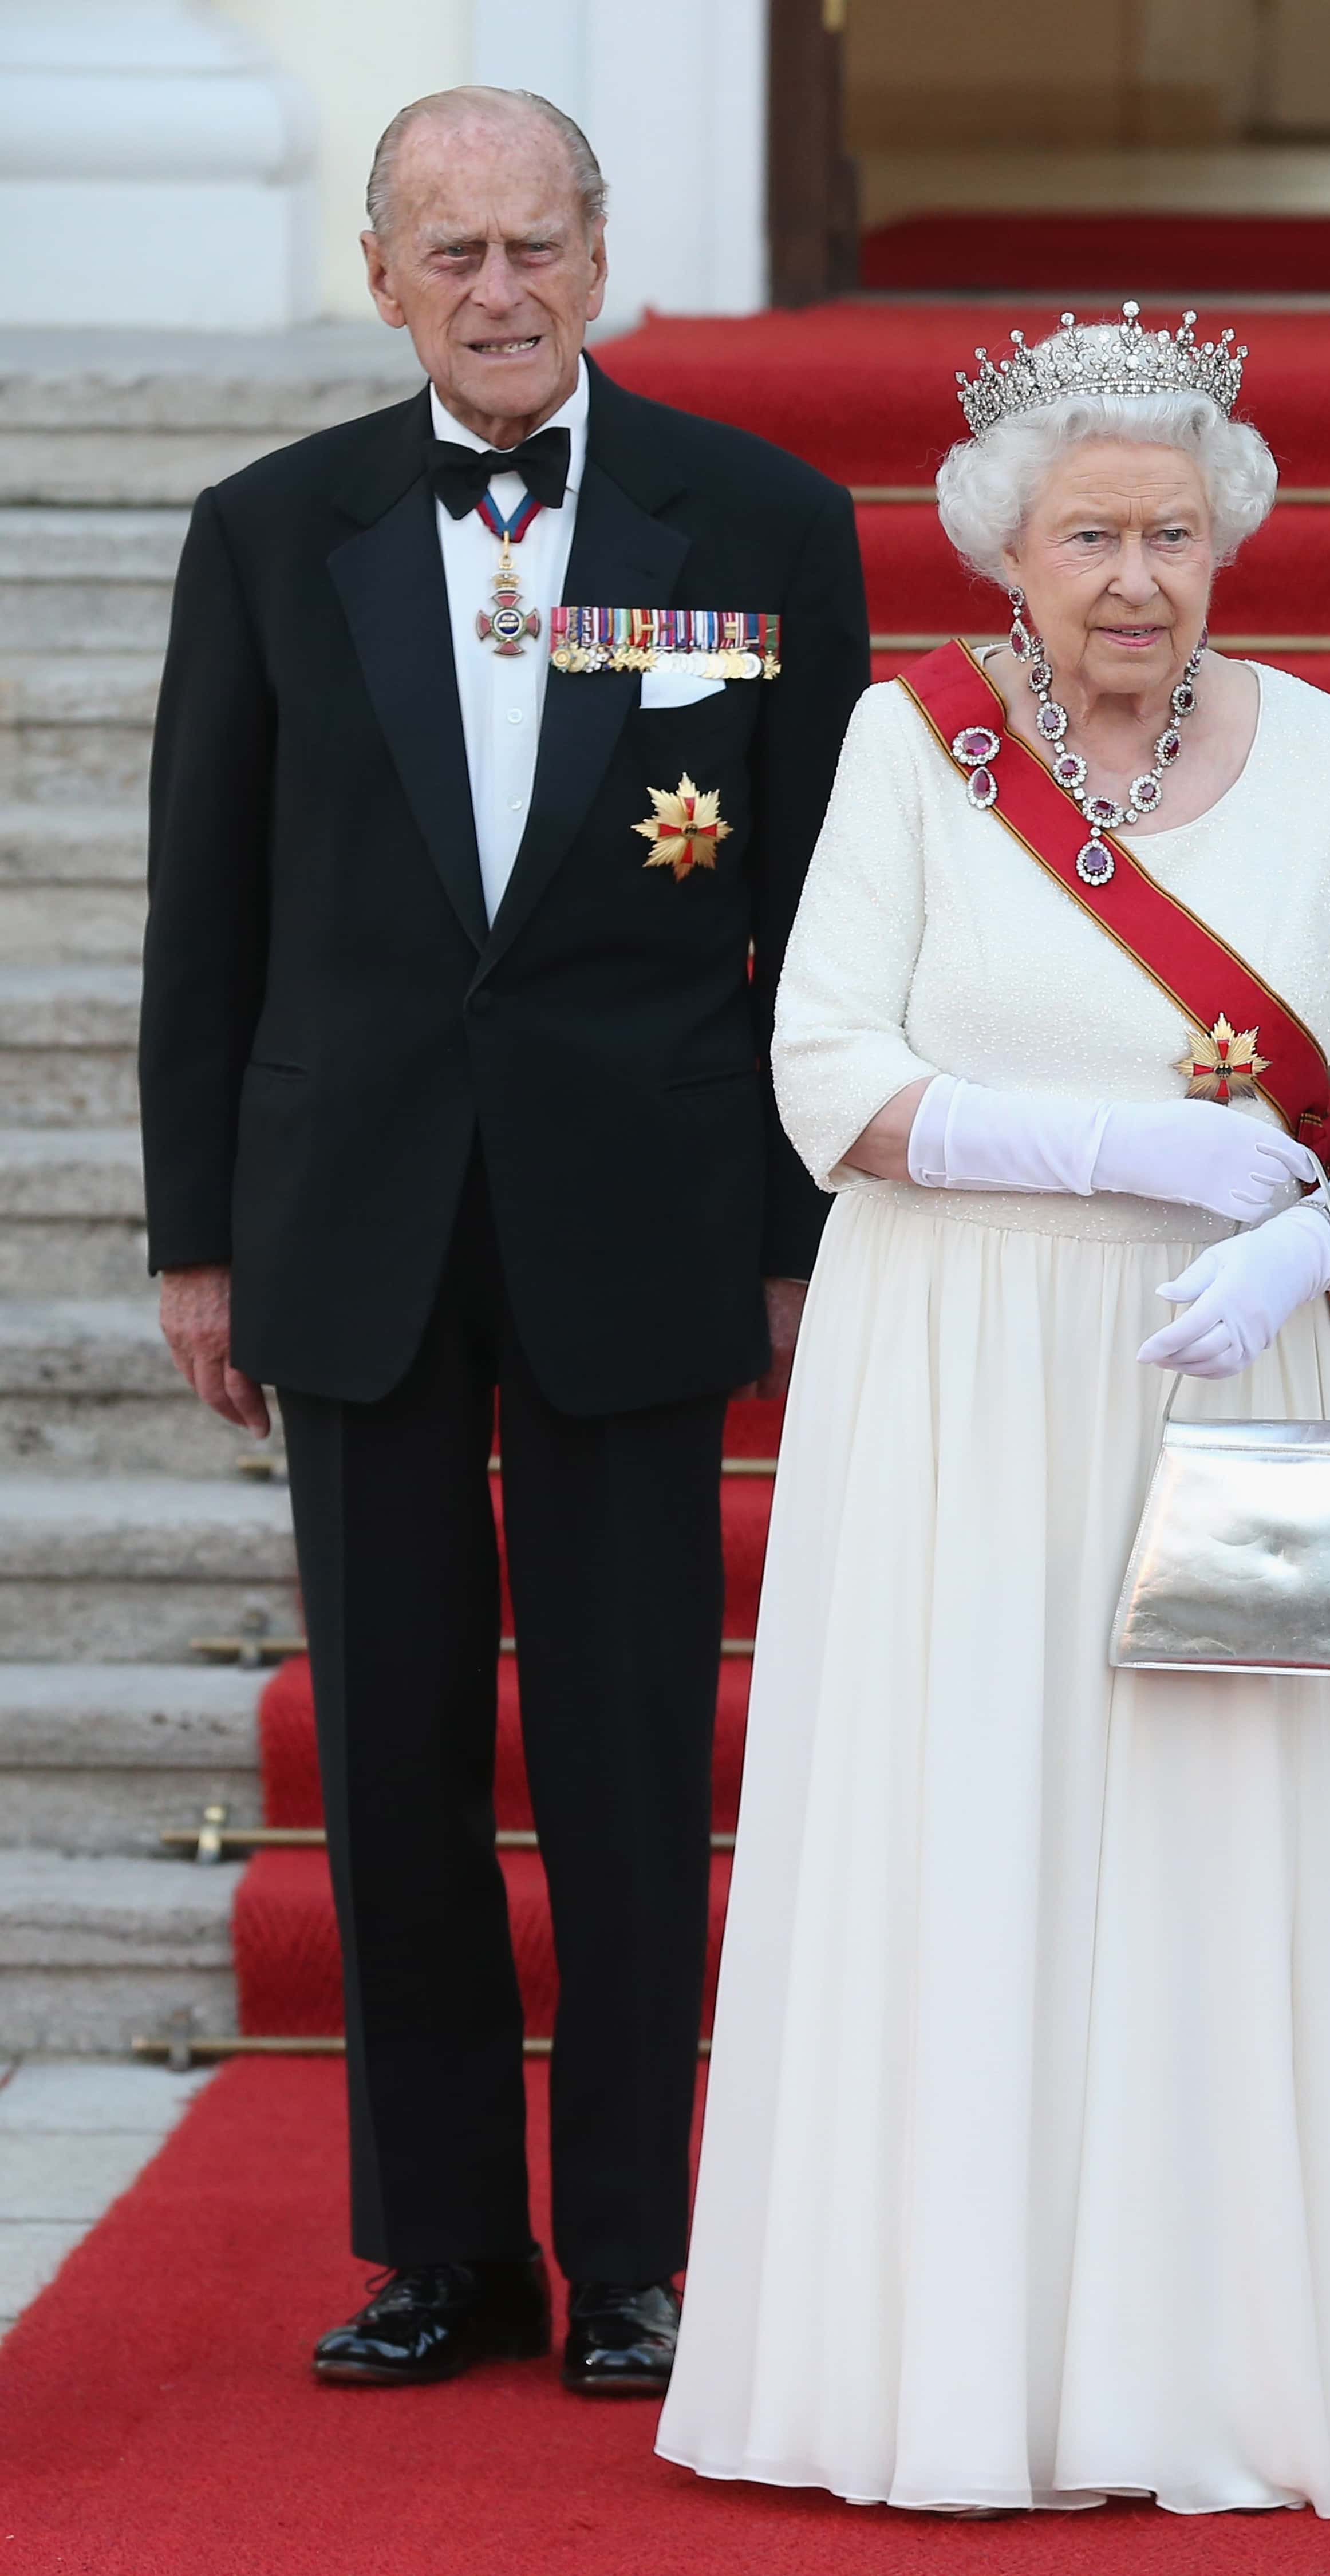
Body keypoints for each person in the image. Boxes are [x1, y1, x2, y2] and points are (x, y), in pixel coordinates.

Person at [658, 307, 1330, 2514]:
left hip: (1227, 1377)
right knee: (961, 1848)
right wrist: (1122, 1150)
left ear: (1232, 543)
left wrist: (1323, 1236)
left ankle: (1189, 2379)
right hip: (955, 1374)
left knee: (1214, 1872)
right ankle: (933, 2375)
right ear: (1004, 560)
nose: (1141, 575)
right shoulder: (904, 749)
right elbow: (823, 1073)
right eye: (1093, 535)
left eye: (1179, 533)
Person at [140, 86, 868, 2393]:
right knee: (394, 1758)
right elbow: (206, 915)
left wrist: (784, 1227)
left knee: (636, 1755)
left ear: (596, 251)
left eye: (530, 245)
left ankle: (643, 2256)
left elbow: (822, 925)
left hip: (639, 1220)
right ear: (381, 275)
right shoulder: (271, 530)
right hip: (346, 1220)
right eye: (446, 251)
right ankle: (442, 2247)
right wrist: (195, 1241)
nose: (494, 288)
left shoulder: (754, 521)